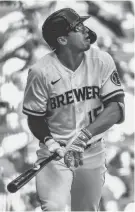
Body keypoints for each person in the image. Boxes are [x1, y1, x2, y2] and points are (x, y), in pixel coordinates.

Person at [22, 8, 125, 211]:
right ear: (62, 40)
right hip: (56, 155)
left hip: (92, 151)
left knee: (86, 209)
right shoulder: (40, 72)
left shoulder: (102, 60)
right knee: (54, 208)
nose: (86, 30)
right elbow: (35, 118)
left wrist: (84, 136)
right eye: (78, 27)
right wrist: (50, 142)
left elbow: (116, 109)